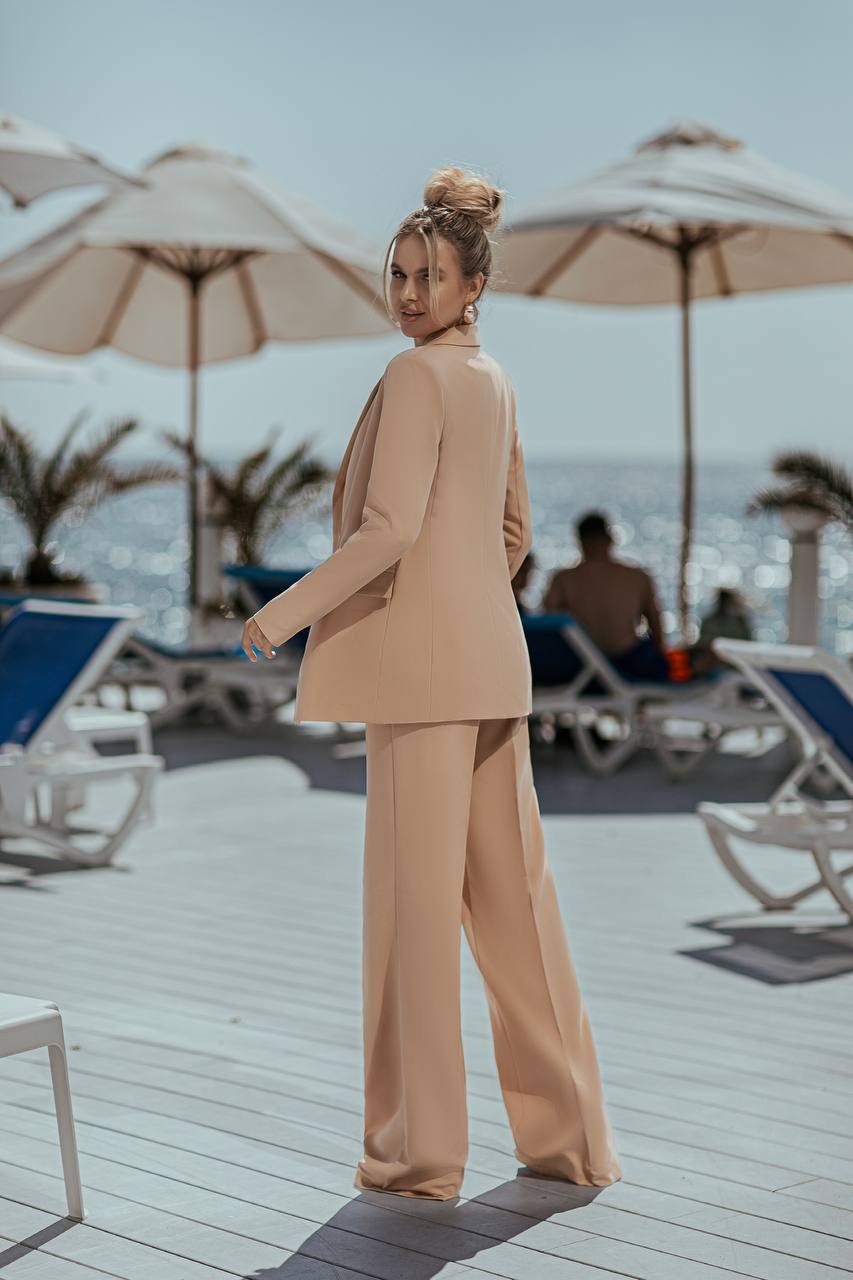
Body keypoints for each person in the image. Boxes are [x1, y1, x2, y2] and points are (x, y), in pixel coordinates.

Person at [241, 167, 621, 1201]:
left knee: (413, 923)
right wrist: (464, 606)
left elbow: (388, 530)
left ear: (470, 282)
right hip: (491, 667)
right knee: (517, 911)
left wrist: (281, 614)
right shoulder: (491, 377)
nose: (406, 293)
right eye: (396, 273)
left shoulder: (415, 379)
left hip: (419, 682)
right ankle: (571, 1140)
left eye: (426, 275)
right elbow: (512, 537)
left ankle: (420, 1154)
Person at [544, 511, 670, 682]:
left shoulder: (563, 579)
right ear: (610, 539)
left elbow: (550, 625)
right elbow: (656, 627)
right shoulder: (637, 577)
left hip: (582, 666)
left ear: (580, 541)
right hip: (631, 664)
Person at [690, 586, 754, 675]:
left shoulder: (739, 621)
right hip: (716, 666)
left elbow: (748, 645)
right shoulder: (739, 621)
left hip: (731, 666)